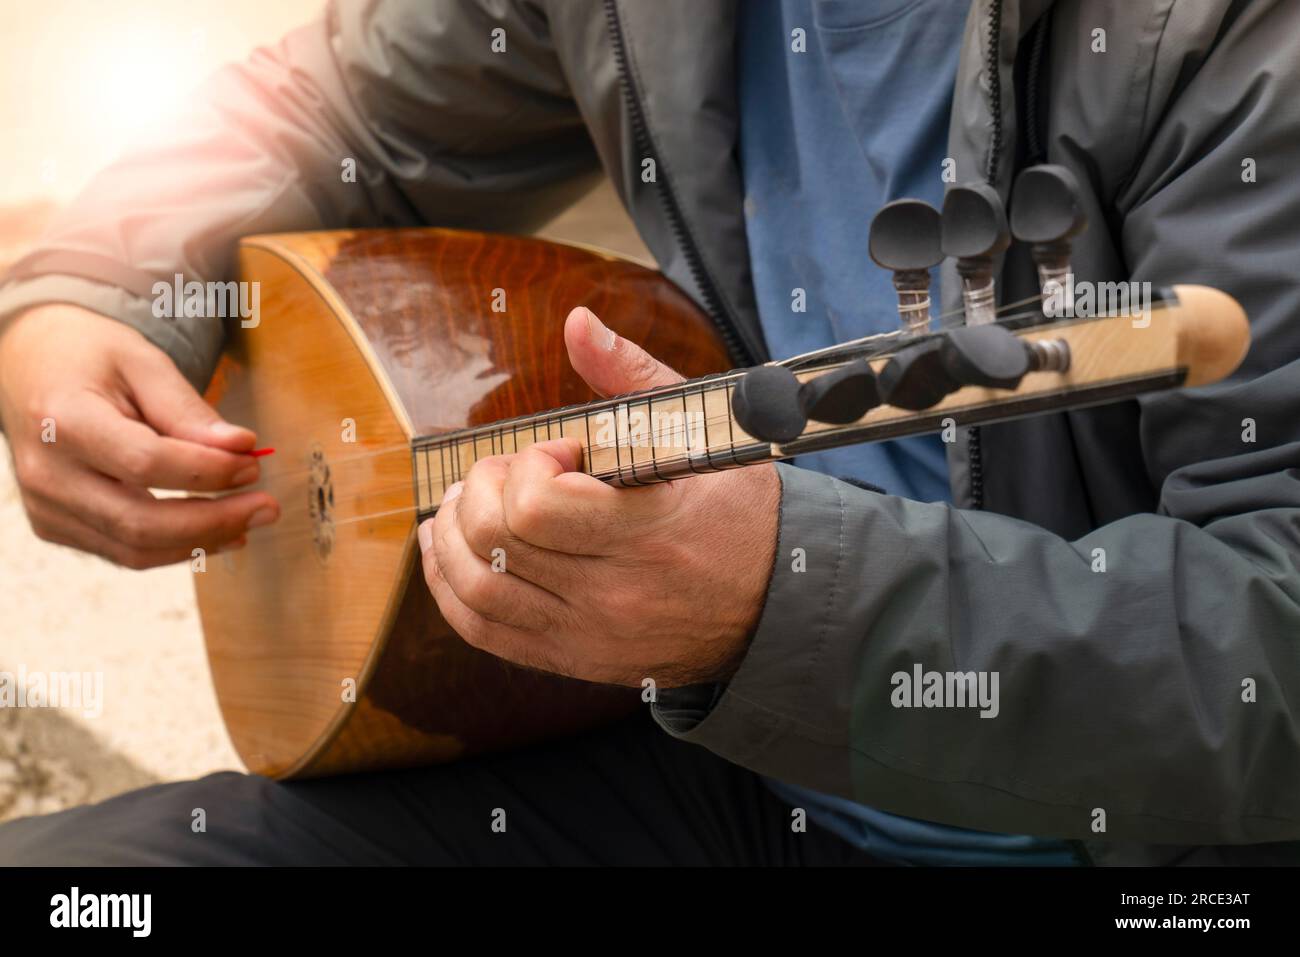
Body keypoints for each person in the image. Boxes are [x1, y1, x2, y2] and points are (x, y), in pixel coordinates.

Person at [1, 0, 1298, 866]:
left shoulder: (1237, 42)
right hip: (728, 760)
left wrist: (778, 603)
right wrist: (85, 294)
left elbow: (1275, 660)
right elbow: (333, 114)